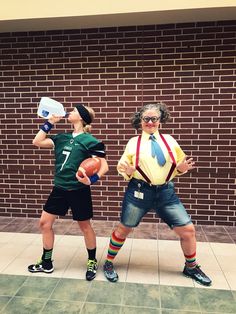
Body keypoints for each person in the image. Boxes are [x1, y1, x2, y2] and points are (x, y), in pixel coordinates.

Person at [103, 102, 212, 286]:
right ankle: (108, 263)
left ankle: (191, 267)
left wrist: (181, 168)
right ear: (140, 121)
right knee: (124, 228)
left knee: (188, 230)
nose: (151, 122)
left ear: (161, 120)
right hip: (139, 191)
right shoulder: (133, 142)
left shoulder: (170, 140)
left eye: (155, 119)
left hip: (165, 193)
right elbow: (122, 168)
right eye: (146, 119)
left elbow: (179, 164)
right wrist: (128, 171)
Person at [28, 103, 109, 281]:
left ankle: (92, 261)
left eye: (73, 111)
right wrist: (49, 123)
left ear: (81, 117)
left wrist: (92, 180)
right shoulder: (61, 137)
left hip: (78, 190)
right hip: (59, 188)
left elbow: (104, 166)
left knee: (85, 226)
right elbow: (37, 141)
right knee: (44, 223)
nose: (69, 112)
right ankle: (46, 263)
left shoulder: (91, 141)